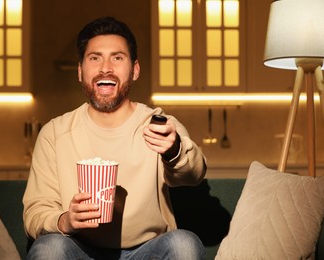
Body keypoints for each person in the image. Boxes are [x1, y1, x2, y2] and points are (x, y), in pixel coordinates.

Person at [23, 16, 207, 260]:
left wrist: (173, 151)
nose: (105, 68)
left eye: (117, 58)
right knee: (49, 249)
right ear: (80, 71)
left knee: (184, 244)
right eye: (95, 58)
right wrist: (64, 220)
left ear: (135, 70)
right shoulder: (55, 133)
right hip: (79, 250)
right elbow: (35, 211)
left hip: (147, 251)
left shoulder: (158, 126)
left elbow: (194, 174)